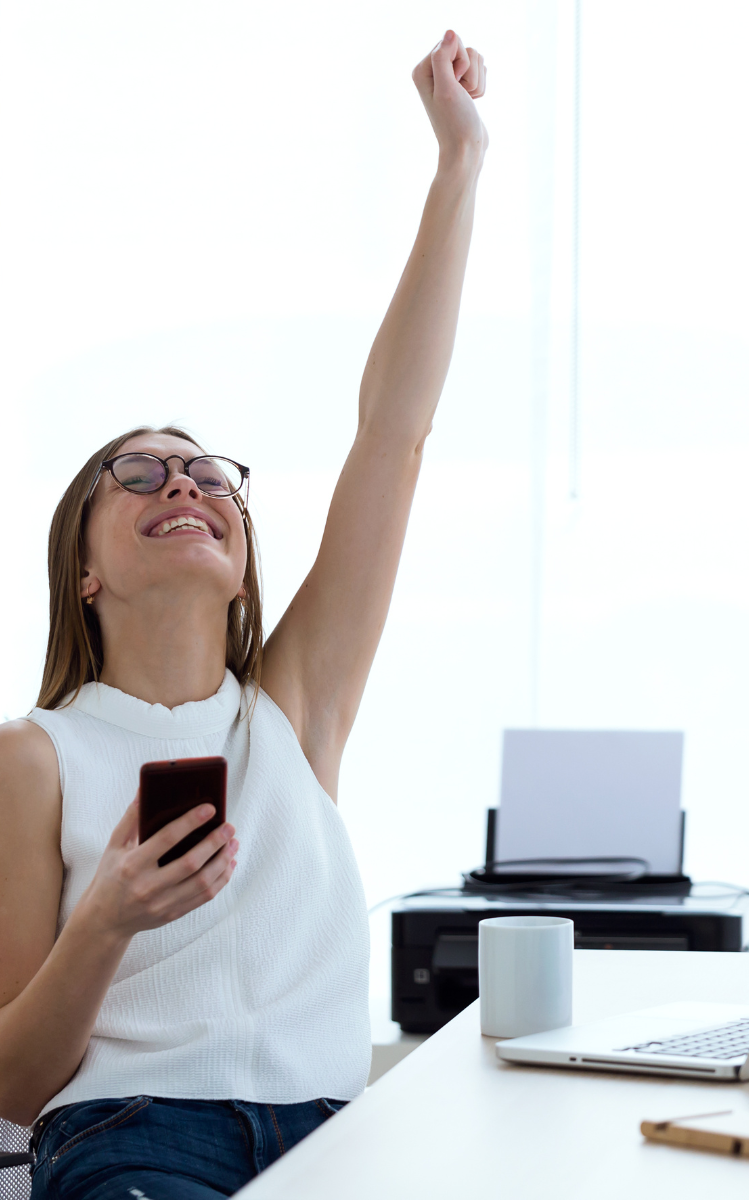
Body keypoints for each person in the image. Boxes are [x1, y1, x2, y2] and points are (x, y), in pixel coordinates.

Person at [0, 29, 488, 1200]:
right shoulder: (37, 757)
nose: (184, 483)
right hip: (134, 1140)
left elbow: (393, 434)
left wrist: (457, 167)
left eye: (210, 475)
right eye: (140, 474)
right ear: (83, 570)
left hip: (336, 1143)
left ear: (238, 555)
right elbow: (15, 1084)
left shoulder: (292, 708)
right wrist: (105, 918)